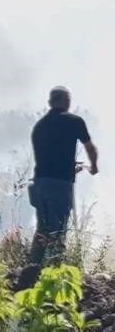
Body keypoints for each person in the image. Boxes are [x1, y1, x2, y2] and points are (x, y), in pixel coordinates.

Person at [28, 86, 98, 267]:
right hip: (59, 185)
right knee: (58, 230)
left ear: (51, 102)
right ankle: (54, 272)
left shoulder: (39, 126)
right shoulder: (74, 121)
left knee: (42, 229)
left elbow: (49, 157)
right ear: (66, 101)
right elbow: (90, 148)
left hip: (39, 183)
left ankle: (31, 269)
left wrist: (70, 168)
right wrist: (94, 166)